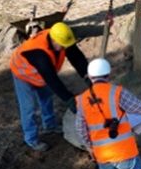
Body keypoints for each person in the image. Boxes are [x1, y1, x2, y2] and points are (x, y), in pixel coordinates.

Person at [8, 21, 89, 153]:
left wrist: (88, 76)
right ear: (53, 40)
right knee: (29, 108)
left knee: (46, 98)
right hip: (23, 73)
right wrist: (70, 100)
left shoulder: (62, 38)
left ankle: (49, 125)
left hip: (41, 74)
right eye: (62, 46)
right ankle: (31, 139)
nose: (65, 48)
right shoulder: (38, 52)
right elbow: (52, 80)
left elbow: (76, 57)